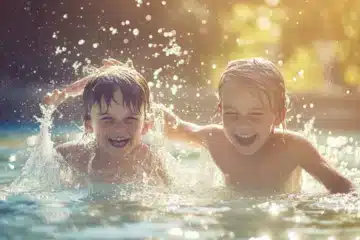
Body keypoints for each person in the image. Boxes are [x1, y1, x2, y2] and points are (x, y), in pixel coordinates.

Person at [163, 57, 355, 195]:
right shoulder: (215, 140)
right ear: (220, 110)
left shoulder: (294, 149)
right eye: (231, 114)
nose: (242, 125)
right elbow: (175, 128)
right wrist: (146, 110)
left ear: (279, 115)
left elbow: (344, 189)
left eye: (255, 115)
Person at [44, 60, 168, 186]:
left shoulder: (149, 160)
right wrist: (46, 113)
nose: (119, 129)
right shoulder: (70, 157)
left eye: (130, 119)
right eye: (107, 119)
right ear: (89, 125)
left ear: (146, 125)